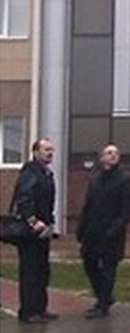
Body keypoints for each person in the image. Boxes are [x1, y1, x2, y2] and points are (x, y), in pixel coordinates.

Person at [76, 143, 130, 319]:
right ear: (102, 157)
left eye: (115, 153)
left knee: (109, 267)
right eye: (109, 153)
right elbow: (88, 206)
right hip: (92, 231)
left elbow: (127, 210)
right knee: (89, 263)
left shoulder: (125, 180)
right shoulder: (95, 178)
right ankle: (105, 296)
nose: (112, 155)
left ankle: (102, 305)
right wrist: (81, 228)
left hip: (111, 233)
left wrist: (115, 228)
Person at [12, 138, 59, 323]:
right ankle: (28, 311)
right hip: (31, 231)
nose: (50, 153)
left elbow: (46, 202)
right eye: (46, 149)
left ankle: (40, 308)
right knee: (30, 271)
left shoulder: (46, 173)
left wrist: (49, 222)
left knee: (42, 270)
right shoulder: (30, 172)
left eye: (51, 150)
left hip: (43, 230)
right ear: (36, 152)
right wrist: (32, 220)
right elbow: (24, 197)